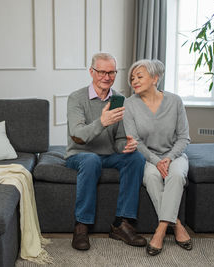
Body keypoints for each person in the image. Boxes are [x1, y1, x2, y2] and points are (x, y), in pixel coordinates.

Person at [66, 52, 147, 251]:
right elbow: (77, 135)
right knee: (91, 160)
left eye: (111, 72)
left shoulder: (119, 99)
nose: (106, 77)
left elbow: (118, 138)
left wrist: (125, 145)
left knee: (135, 158)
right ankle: (82, 226)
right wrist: (102, 122)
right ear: (91, 72)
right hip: (79, 154)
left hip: (109, 155)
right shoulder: (76, 98)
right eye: (101, 71)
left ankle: (122, 224)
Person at [123, 59, 192, 256]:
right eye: (132, 77)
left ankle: (160, 231)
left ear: (155, 78)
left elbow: (183, 137)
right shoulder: (129, 105)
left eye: (139, 76)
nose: (134, 81)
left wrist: (169, 158)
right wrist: (156, 161)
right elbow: (135, 141)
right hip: (147, 157)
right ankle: (176, 224)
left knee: (177, 176)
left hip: (175, 154)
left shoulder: (175, 101)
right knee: (153, 177)